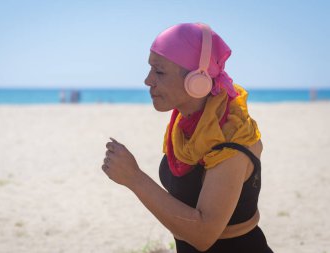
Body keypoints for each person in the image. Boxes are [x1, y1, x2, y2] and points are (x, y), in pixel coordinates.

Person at [102, 23, 273, 253]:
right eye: (150, 69)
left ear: (197, 81)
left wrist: (135, 178)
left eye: (159, 71)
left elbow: (204, 235)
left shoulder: (231, 139)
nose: (147, 80)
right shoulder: (186, 122)